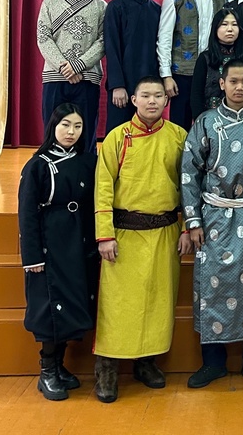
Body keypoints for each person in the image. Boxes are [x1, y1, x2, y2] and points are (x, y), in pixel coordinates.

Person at [181, 59, 243, 388]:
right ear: (222, 83)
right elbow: (189, 174)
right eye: (233, 81)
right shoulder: (206, 122)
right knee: (213, 286)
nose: (239, 87)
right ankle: (213, 363)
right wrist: (193, 220)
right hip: (214, 218)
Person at [93, 76, 187, 403]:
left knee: (158, 302)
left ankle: (146, 363)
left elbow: (188, 186)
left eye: (158, 96)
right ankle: (106, 370)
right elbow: (103, 187)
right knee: (118, 305)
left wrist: (186, 228)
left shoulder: (178, 137)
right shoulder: (117, 137)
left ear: (166, 100)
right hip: (124, 234)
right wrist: (105, 235)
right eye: (145, 96)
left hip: (164, 232)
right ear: (133, 100)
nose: (151, 101)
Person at [18, 103, 98, 401]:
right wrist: (33, 257)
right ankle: (47, 371)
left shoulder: (88, 161)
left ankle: (60, 366)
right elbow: (27, 214)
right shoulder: (38, 165)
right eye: (65, 125)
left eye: (77, 126)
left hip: (77, 244)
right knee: (51, 307)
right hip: (49, 246)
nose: (71, 132)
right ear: (53, 126)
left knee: (72, 304)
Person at [37, 0, 106, 153]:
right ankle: (51, 168)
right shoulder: (50, 2)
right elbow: (43, 37)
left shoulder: (101, 6)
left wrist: (77, 65)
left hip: (87, 78)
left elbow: (103, 41)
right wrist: (64, 67)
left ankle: (85, 169)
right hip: (55, 77)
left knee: (86, 130)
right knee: (53, 129)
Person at [157, 0, 227, 131]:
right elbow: (165, 38)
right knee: (180, 126)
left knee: (213, 124)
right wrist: (166, 75)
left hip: (213, 71)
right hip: (183, 72)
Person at [103, 0, 161, 133]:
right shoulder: (116, 7)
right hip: (123, 87)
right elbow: (111, 48)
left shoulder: (158, 10)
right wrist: (117, 85)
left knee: (148, 134)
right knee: (119, 135)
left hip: (150, 87)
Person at [190, 7, 243, 119]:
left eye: (234, 24)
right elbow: (196, 94)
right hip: (210, 118)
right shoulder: (205, 58)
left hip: (240, 118)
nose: (230, 29)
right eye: (224, 24)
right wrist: (201, 122)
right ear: (215, 28)